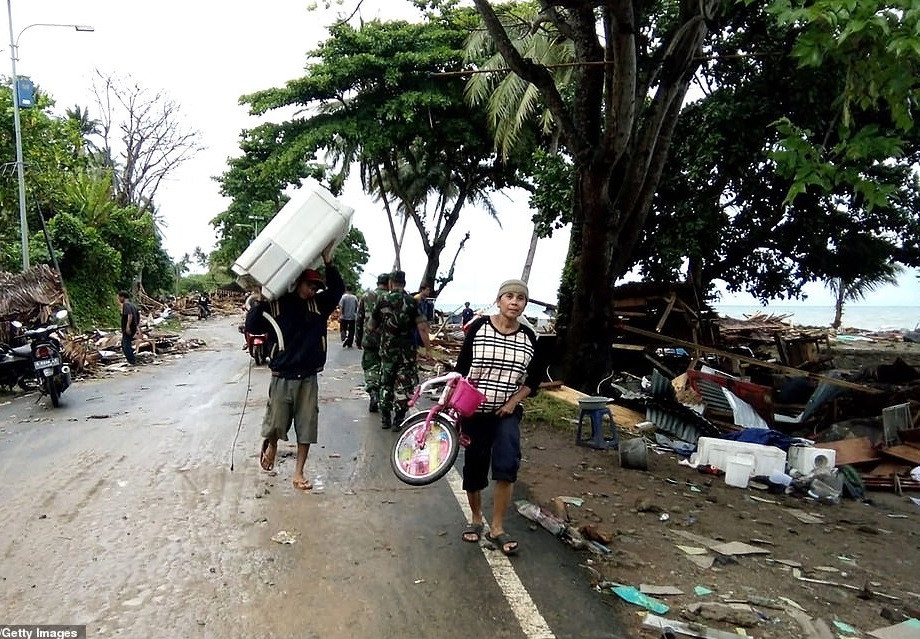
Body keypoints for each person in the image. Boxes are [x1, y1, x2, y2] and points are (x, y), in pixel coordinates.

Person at [455, 279, 543, 556]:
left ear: (524, 305)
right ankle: (476, 518)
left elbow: (534, 380)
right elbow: (461, 369)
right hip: (474, 412)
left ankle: (497, 526)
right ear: (499, 299)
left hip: (506, 413)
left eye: (521, 298)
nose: (515, 302)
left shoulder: (529, 338)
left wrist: (514, 401)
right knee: (475, 466)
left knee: (506, 463)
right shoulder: (479, 329)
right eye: (510, 296)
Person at [246, 243, 343, 491]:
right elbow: (253, 326)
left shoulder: (318, 306)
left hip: (308, 376)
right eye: (310, 285)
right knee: (276, 423)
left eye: (316, 287)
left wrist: (329, 262)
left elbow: (337, 290)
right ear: (298, 282)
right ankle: (272, 443)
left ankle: (298, 473)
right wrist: (259, 298)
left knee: (306, 426)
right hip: (282, 375)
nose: (313, 290)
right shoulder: (277, 304)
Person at [372, 270, 429, 430]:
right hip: (407, 354)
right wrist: (428, 350)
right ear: (404, 283)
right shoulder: (412, 302)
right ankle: (398, 420)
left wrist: (382, 336)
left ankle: (385, 418)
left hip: (387, 352)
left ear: (391, 282)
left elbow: (372, 326)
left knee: (386, 384)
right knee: (404, 387)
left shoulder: (382, 300)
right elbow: (422, 327)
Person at [355, 273, 389, 412]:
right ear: (388, 283)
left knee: (370, 367)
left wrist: (358, 338)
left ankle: (373, 392)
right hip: (387, 340)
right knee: (384, 367)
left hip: (369, 338)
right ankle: (383, 396)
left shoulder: (366, 296)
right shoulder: (390, 298)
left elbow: (359, 318)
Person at [117, 291, 141, 365]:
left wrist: (127, 326)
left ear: (122, 297)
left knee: (125, 345)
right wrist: (136, 327)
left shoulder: (126, 305)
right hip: (133, 327)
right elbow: (138, 316)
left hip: (128, 328)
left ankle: (132, 361)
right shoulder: (133, 305)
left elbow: (130, 315)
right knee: (127, 344)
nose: (119, 299)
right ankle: (133, 359)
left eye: (119, 297)